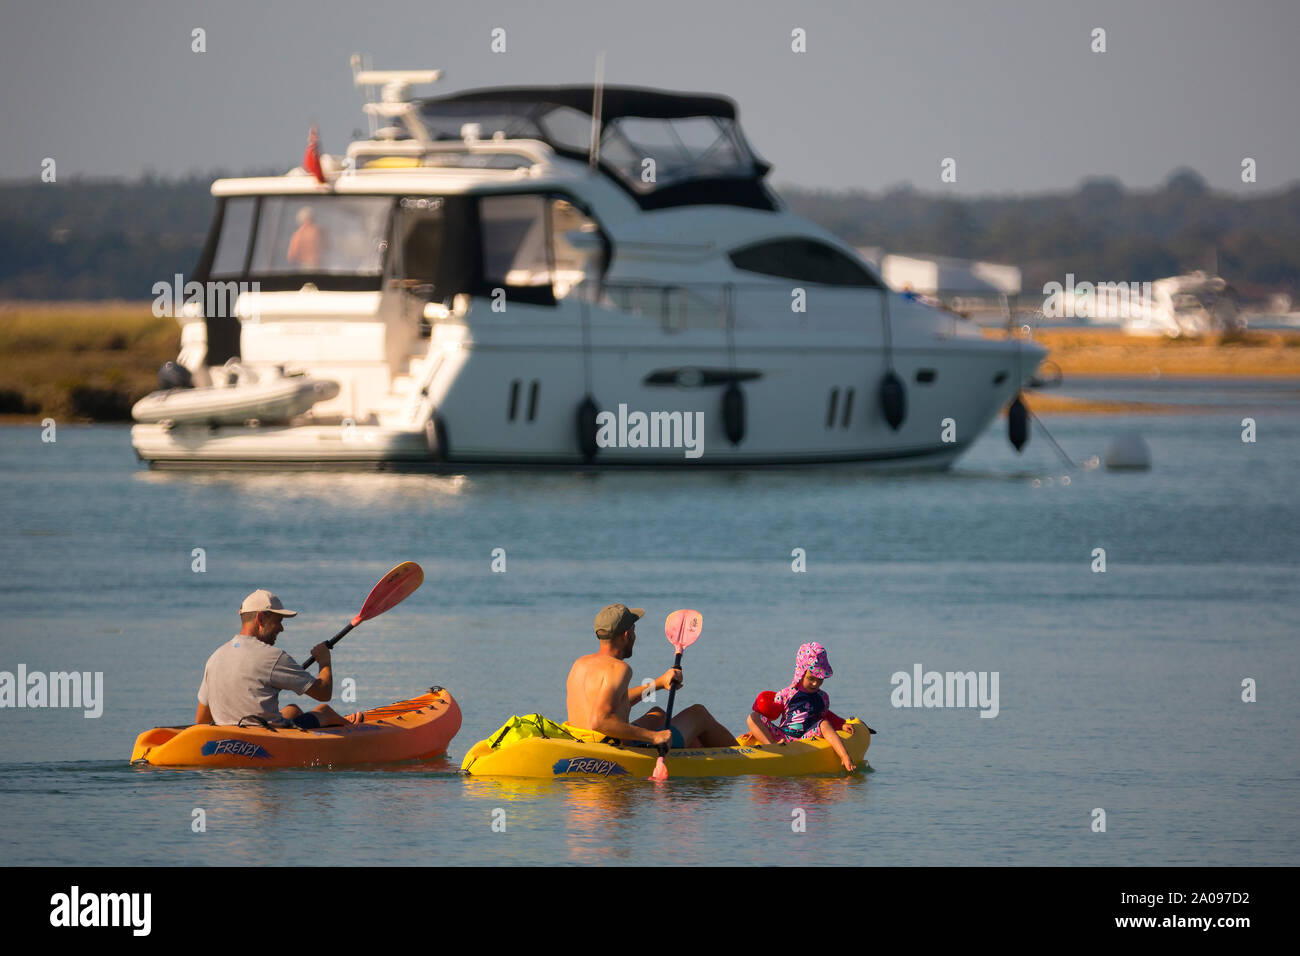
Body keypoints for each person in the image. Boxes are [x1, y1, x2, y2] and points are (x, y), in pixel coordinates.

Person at [565, 603, 735, 749]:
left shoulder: (580, 664)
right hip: (612, 749)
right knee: (699, 713)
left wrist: (659, 683)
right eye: (634, 630)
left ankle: (692, 747)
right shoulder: (619, 668)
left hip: (585, 742)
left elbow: (615, 702)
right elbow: (600, 721)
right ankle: (745, 757)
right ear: (626, 635)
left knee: (658, 714)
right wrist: (654, 737)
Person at [195, 589, 350, 729]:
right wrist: (324, 662)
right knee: (324, 710)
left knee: (292, 710)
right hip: (264, 737)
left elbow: (201, 719)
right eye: (278, 621)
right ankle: (357, 730)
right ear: (260, 618)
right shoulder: (273, 657)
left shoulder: (215, 657)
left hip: (228, 736)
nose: (281, 628)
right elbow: (323, 693)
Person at [747, 642, 856, 771]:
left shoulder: (822, 697)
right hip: (782, 736)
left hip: (806, 737)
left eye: (820, 679)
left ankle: (845, 756)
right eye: (811, 678)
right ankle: (772, 748)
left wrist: (841, 724)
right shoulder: (786, 694)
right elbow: (768, 715)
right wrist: (755, 732)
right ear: (801, 672)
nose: (815, 683)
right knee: (753, 717)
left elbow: (825, 715)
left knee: (824, 724)